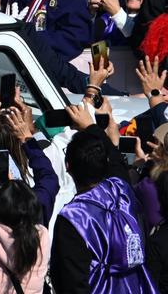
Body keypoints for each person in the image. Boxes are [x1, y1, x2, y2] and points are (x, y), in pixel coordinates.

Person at [51, 122, 156, 292]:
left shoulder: (73, 217)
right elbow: (116, 163)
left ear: (68, 166)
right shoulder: (122, 190)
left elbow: (70, 282)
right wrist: (92, 126)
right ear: (105, 163)